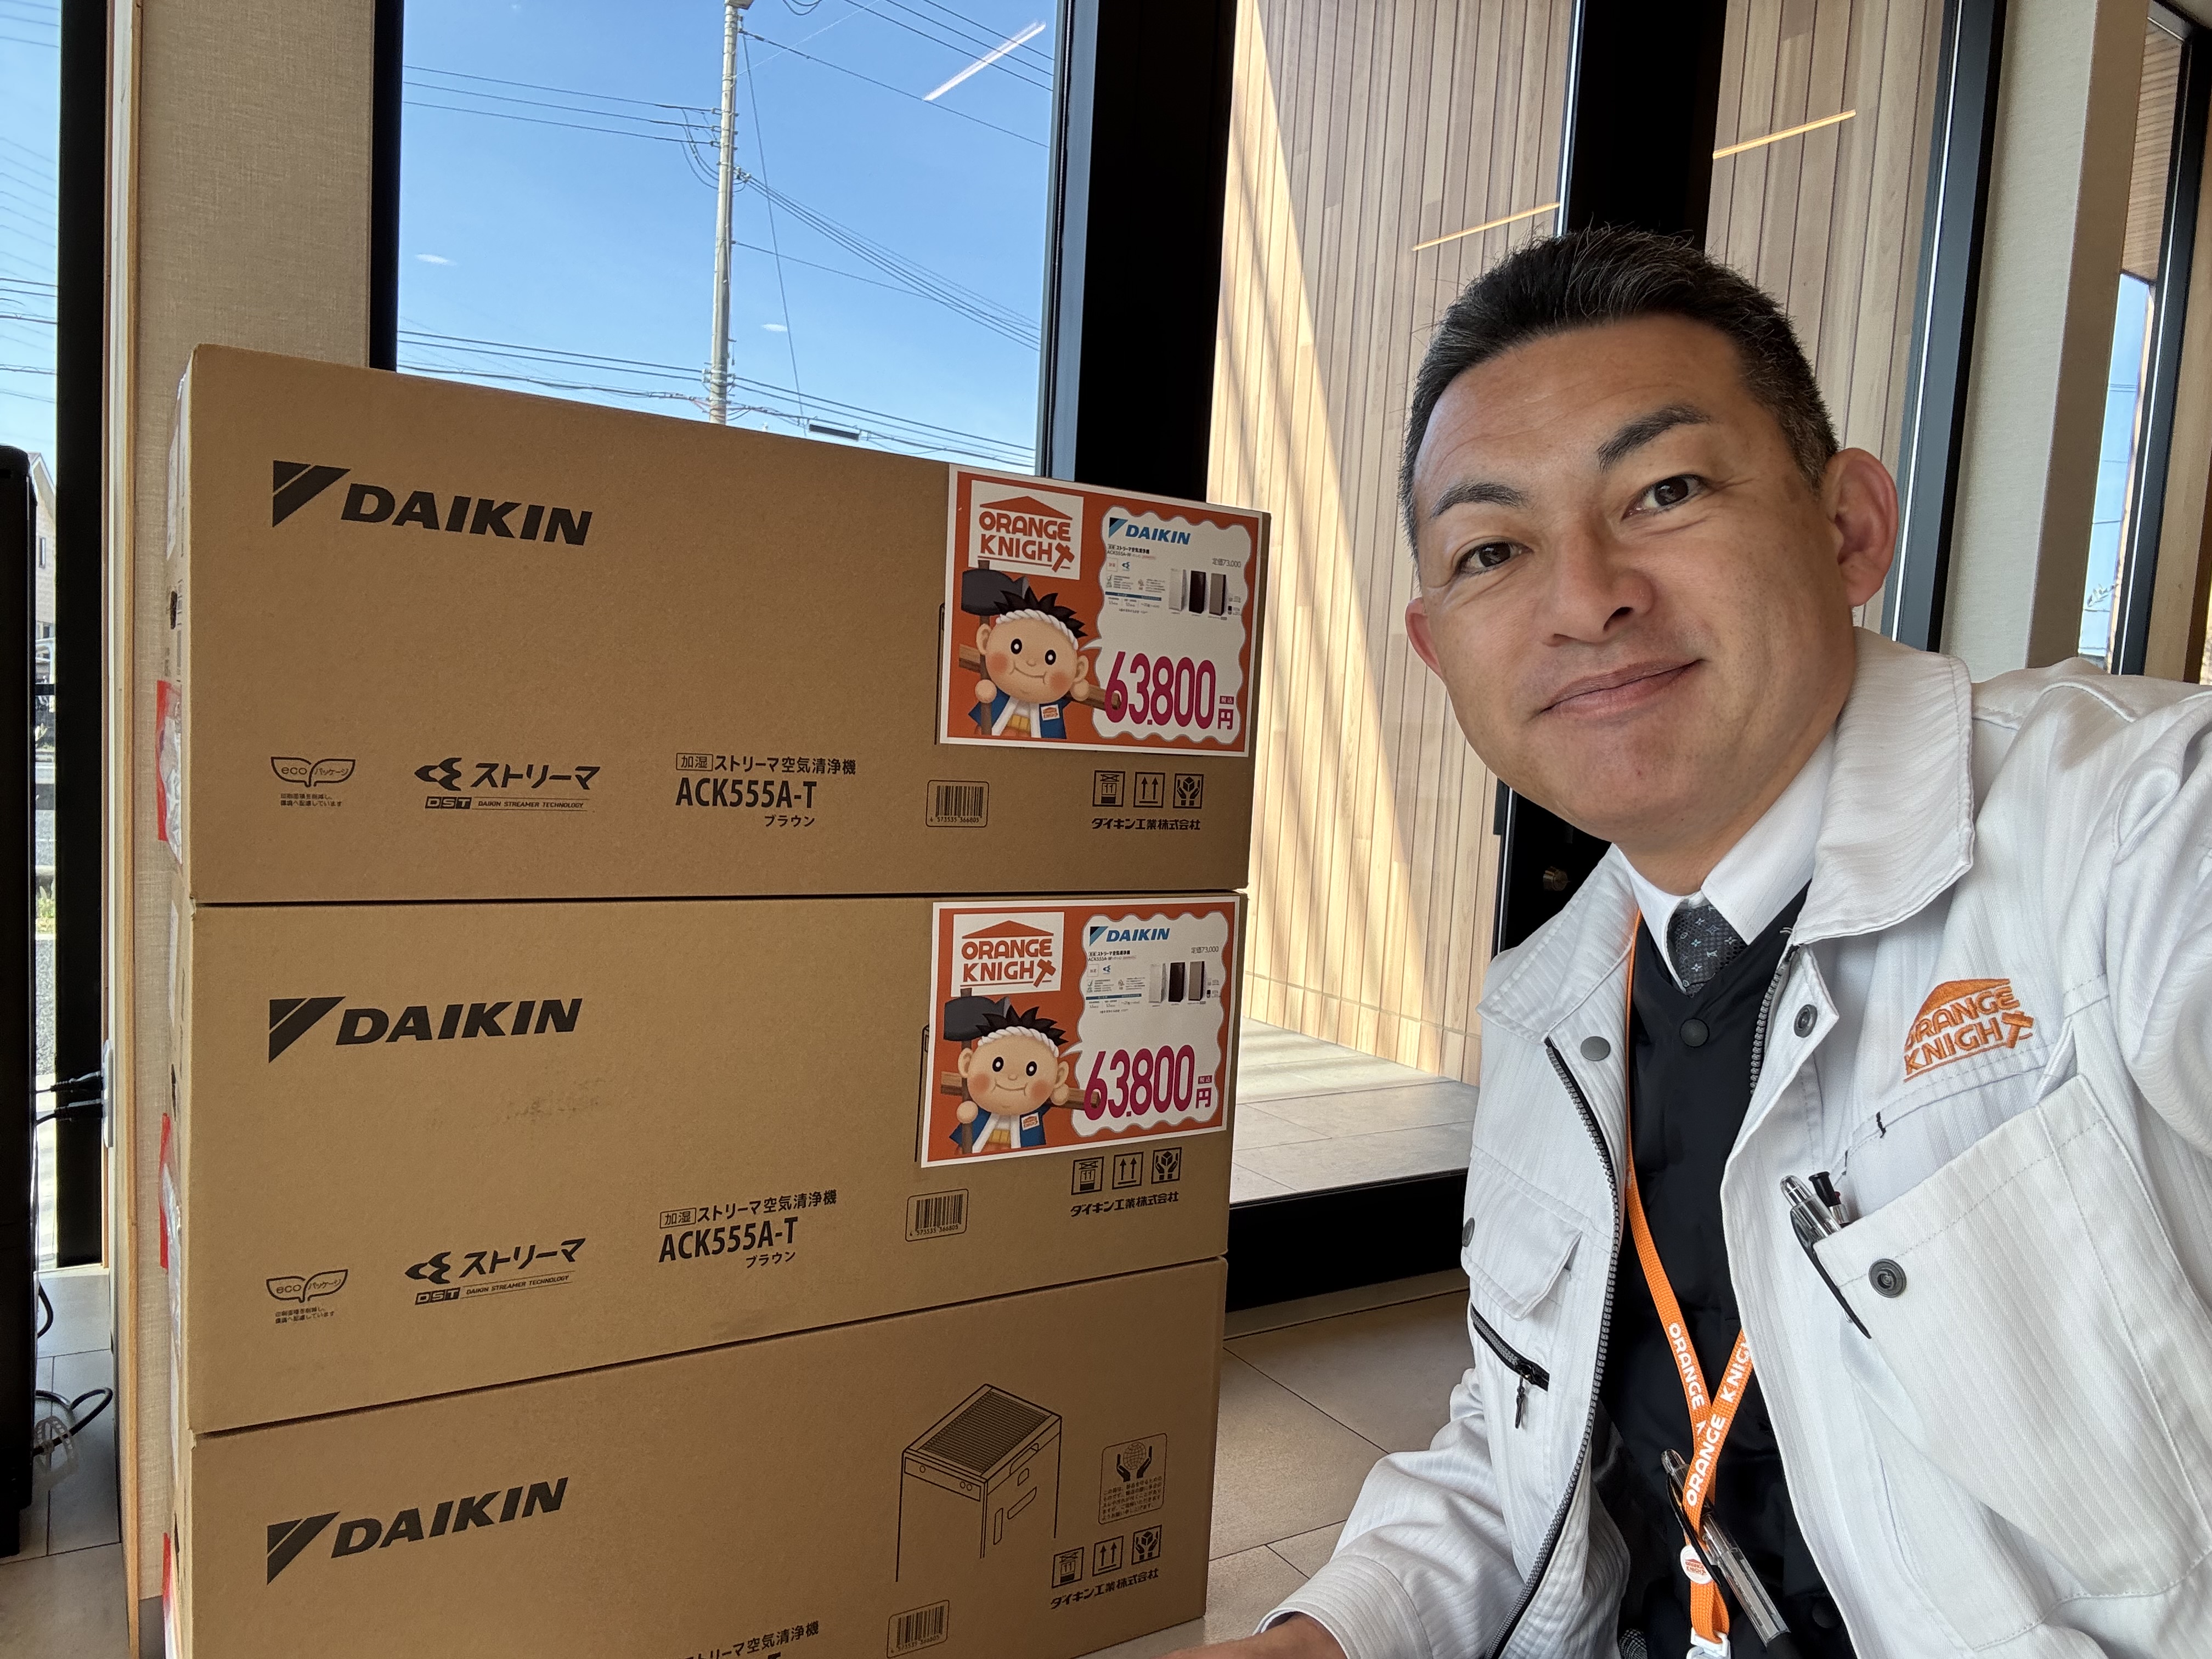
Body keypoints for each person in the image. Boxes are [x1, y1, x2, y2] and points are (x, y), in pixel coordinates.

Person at [1186, 228, 2212, 1658]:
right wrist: (1324, 1639)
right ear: (1437, 652)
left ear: (1848, 529)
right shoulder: (1552, 998)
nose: (1585, 598)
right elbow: (1521, 1437)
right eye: (1493, 551)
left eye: (1665, 491)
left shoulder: (2140, 834)